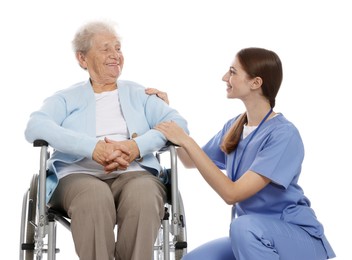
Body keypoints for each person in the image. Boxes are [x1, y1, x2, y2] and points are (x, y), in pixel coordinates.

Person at [24, 20, 188, 260]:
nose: (115, 55)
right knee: (93, 195)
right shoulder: (66, 98)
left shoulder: (140, 94)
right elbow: (35, 126)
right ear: (82, 58)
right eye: (105, 49)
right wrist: (92, 148)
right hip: (76, 175)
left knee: (144, 194)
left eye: (118, 48)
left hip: (134, 172)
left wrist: (135, 146)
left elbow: (178, 125)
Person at [154, 47, 335, 259]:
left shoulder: (284, 135)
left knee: (242, 227)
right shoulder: (235, 126)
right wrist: (166, 114)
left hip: (294, 238)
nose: (224, 77)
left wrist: (186, 140)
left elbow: (232, 194)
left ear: (255, 83)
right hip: (248, 235)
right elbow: (189, 159)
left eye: (232, 72)